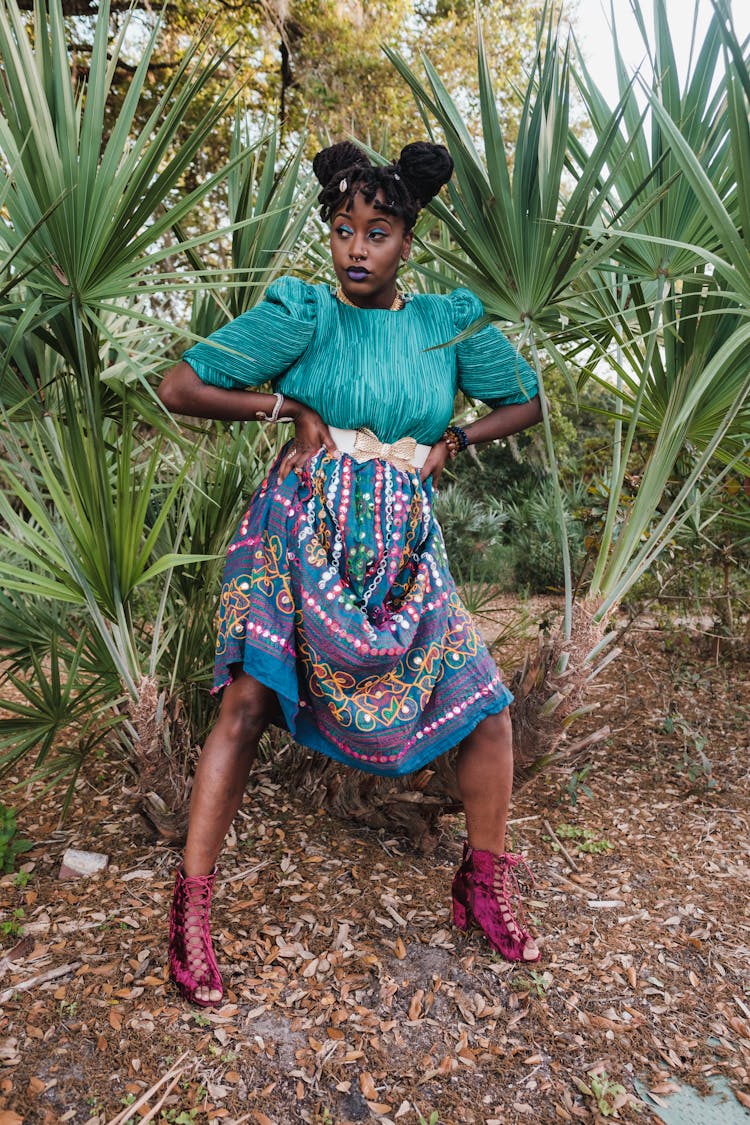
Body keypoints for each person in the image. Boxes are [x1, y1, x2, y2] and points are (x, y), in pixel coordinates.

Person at [158, 140, 543, 1008]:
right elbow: (180, 386)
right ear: (329, 237)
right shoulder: (304, 315)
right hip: (303, 531)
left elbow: (525, 399)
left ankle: (483, 884)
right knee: (249, 703)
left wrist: (454, 442)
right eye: (342, 230)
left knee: (484, 705)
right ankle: (190, 910)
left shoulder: (444, 323)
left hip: (406, 540)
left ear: (408, 239)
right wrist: (286, 406)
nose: (357, 249)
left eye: (377, 231)